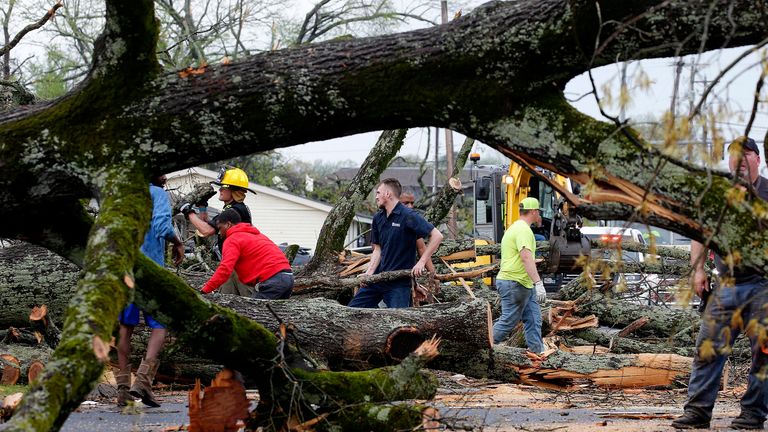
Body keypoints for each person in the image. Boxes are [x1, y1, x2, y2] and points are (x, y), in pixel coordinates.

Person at [672, 136, 768, 430]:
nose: (739, 162)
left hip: (763, 285)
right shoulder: (717, 195)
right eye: (733, 156)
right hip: (726, 284)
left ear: (757, 160)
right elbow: (699, 233)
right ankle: (698, 412)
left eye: (746, 155)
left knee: (764, 352)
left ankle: (753, 414)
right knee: (708, 349)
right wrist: (698, 271)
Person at [117, 174, 185, 407]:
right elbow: (162, 226)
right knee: (160, 325)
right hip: (149, 271)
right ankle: (144, 381)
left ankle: (123, 390)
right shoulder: (157, 194)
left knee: (126, 327)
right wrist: (177, 242)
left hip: (125, 268)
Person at [349, 178, 444, 308]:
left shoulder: (408, 215)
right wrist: (369, 273)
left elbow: (437, 236)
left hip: (399, 284)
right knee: (352, 311)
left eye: (378, 193)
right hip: (377, 278)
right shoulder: (378, 218)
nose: (376, 197)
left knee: (399, 322)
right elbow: (377, 250)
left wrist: (421, 263)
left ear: (388, 194)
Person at [181, 167, 253, 295]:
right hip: (234, 265)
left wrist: (188, 211)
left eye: (223, 187)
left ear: (233, 190)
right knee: (225, 300)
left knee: (250, 304)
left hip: (240, 267)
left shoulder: (233, 211)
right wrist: (202, 206)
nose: (220, 189)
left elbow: (206, 230)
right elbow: (210, 225)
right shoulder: (235, 208)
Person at [200, 209, 294, 299]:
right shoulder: (257, 235)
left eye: (220, 228)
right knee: (273, 314)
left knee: (254, 313)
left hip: (272, 280)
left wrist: (205, 291)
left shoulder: (232, 239)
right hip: (288, 277)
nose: (219, 233)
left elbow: (225, 269)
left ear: (228, 224)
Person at [492, 197, 546, 352]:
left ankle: (538, 355)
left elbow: (521, 256)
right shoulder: (523, 230)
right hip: (514, 282)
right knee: (508, 321)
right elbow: (525, 257)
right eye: (538, 212)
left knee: (534, 319)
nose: (539, 216)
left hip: (522, 283)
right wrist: (539, 282)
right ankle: (481, 348)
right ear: (534, 212)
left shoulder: (515, 227)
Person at [399, 192, 436, 275]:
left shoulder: (411, 221)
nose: (410, 206)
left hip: (405, 272)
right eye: (406, 203)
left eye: (412, 203)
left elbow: (421, 247)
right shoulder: (381, 219)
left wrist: (432, 273)